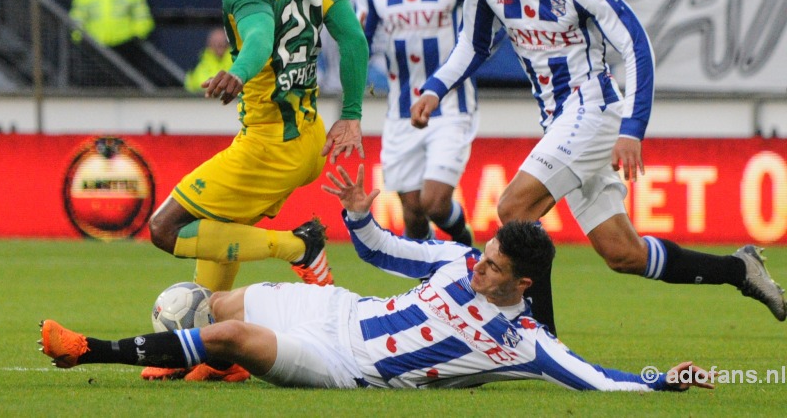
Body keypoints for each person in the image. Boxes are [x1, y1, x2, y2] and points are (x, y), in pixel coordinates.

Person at [410, 0, 787, 335]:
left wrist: (633, 127)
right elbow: (470, 47)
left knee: (514, 208)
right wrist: (434, 88)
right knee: (623, 254)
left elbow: (637, 46)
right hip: (559, 124)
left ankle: (538, 336)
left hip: (593, 110)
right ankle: (739, 270)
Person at [40, 165, 715, 393]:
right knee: (202, 302)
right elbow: (389, 253)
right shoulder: (461, 263)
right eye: (482, 256)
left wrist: (661, 382)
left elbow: (594, 378)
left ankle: (90, 351)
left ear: (525, 288)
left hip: (342, 361)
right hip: (337, 307)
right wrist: (360, 215)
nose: (478, 267)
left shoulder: (525, 344)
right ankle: (215, 364)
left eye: (495, 268)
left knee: (234, 331)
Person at [140, 0, 369, 380]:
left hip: (267, 146)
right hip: (308, 138)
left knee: (165, 229)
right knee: (216, 236)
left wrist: (240, 71)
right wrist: (350, 112)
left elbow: (261, 32)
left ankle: (298, 246)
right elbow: (351, 34)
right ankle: (216, 358)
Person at [354, 0, 477, 245]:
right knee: (413, 213)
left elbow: (491, 24)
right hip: (400, 111)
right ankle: (426, 292)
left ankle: (466, 245)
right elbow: (360, 41)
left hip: (451, 104)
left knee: (435, 203)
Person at [70, 0, 177, 85]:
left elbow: (142, 15)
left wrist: (136, 36)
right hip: (94, 47)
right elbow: (77, 17)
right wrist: (79, 38)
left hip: (124, 46)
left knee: (122, 83)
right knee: (96, 85)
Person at [184, 27, 232, 92]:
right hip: (201, 101)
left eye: (223, 41)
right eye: (215, 41)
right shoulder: (197, 63)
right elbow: (188, 88)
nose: (219, 44)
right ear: (209, 44)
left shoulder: (238, 62)